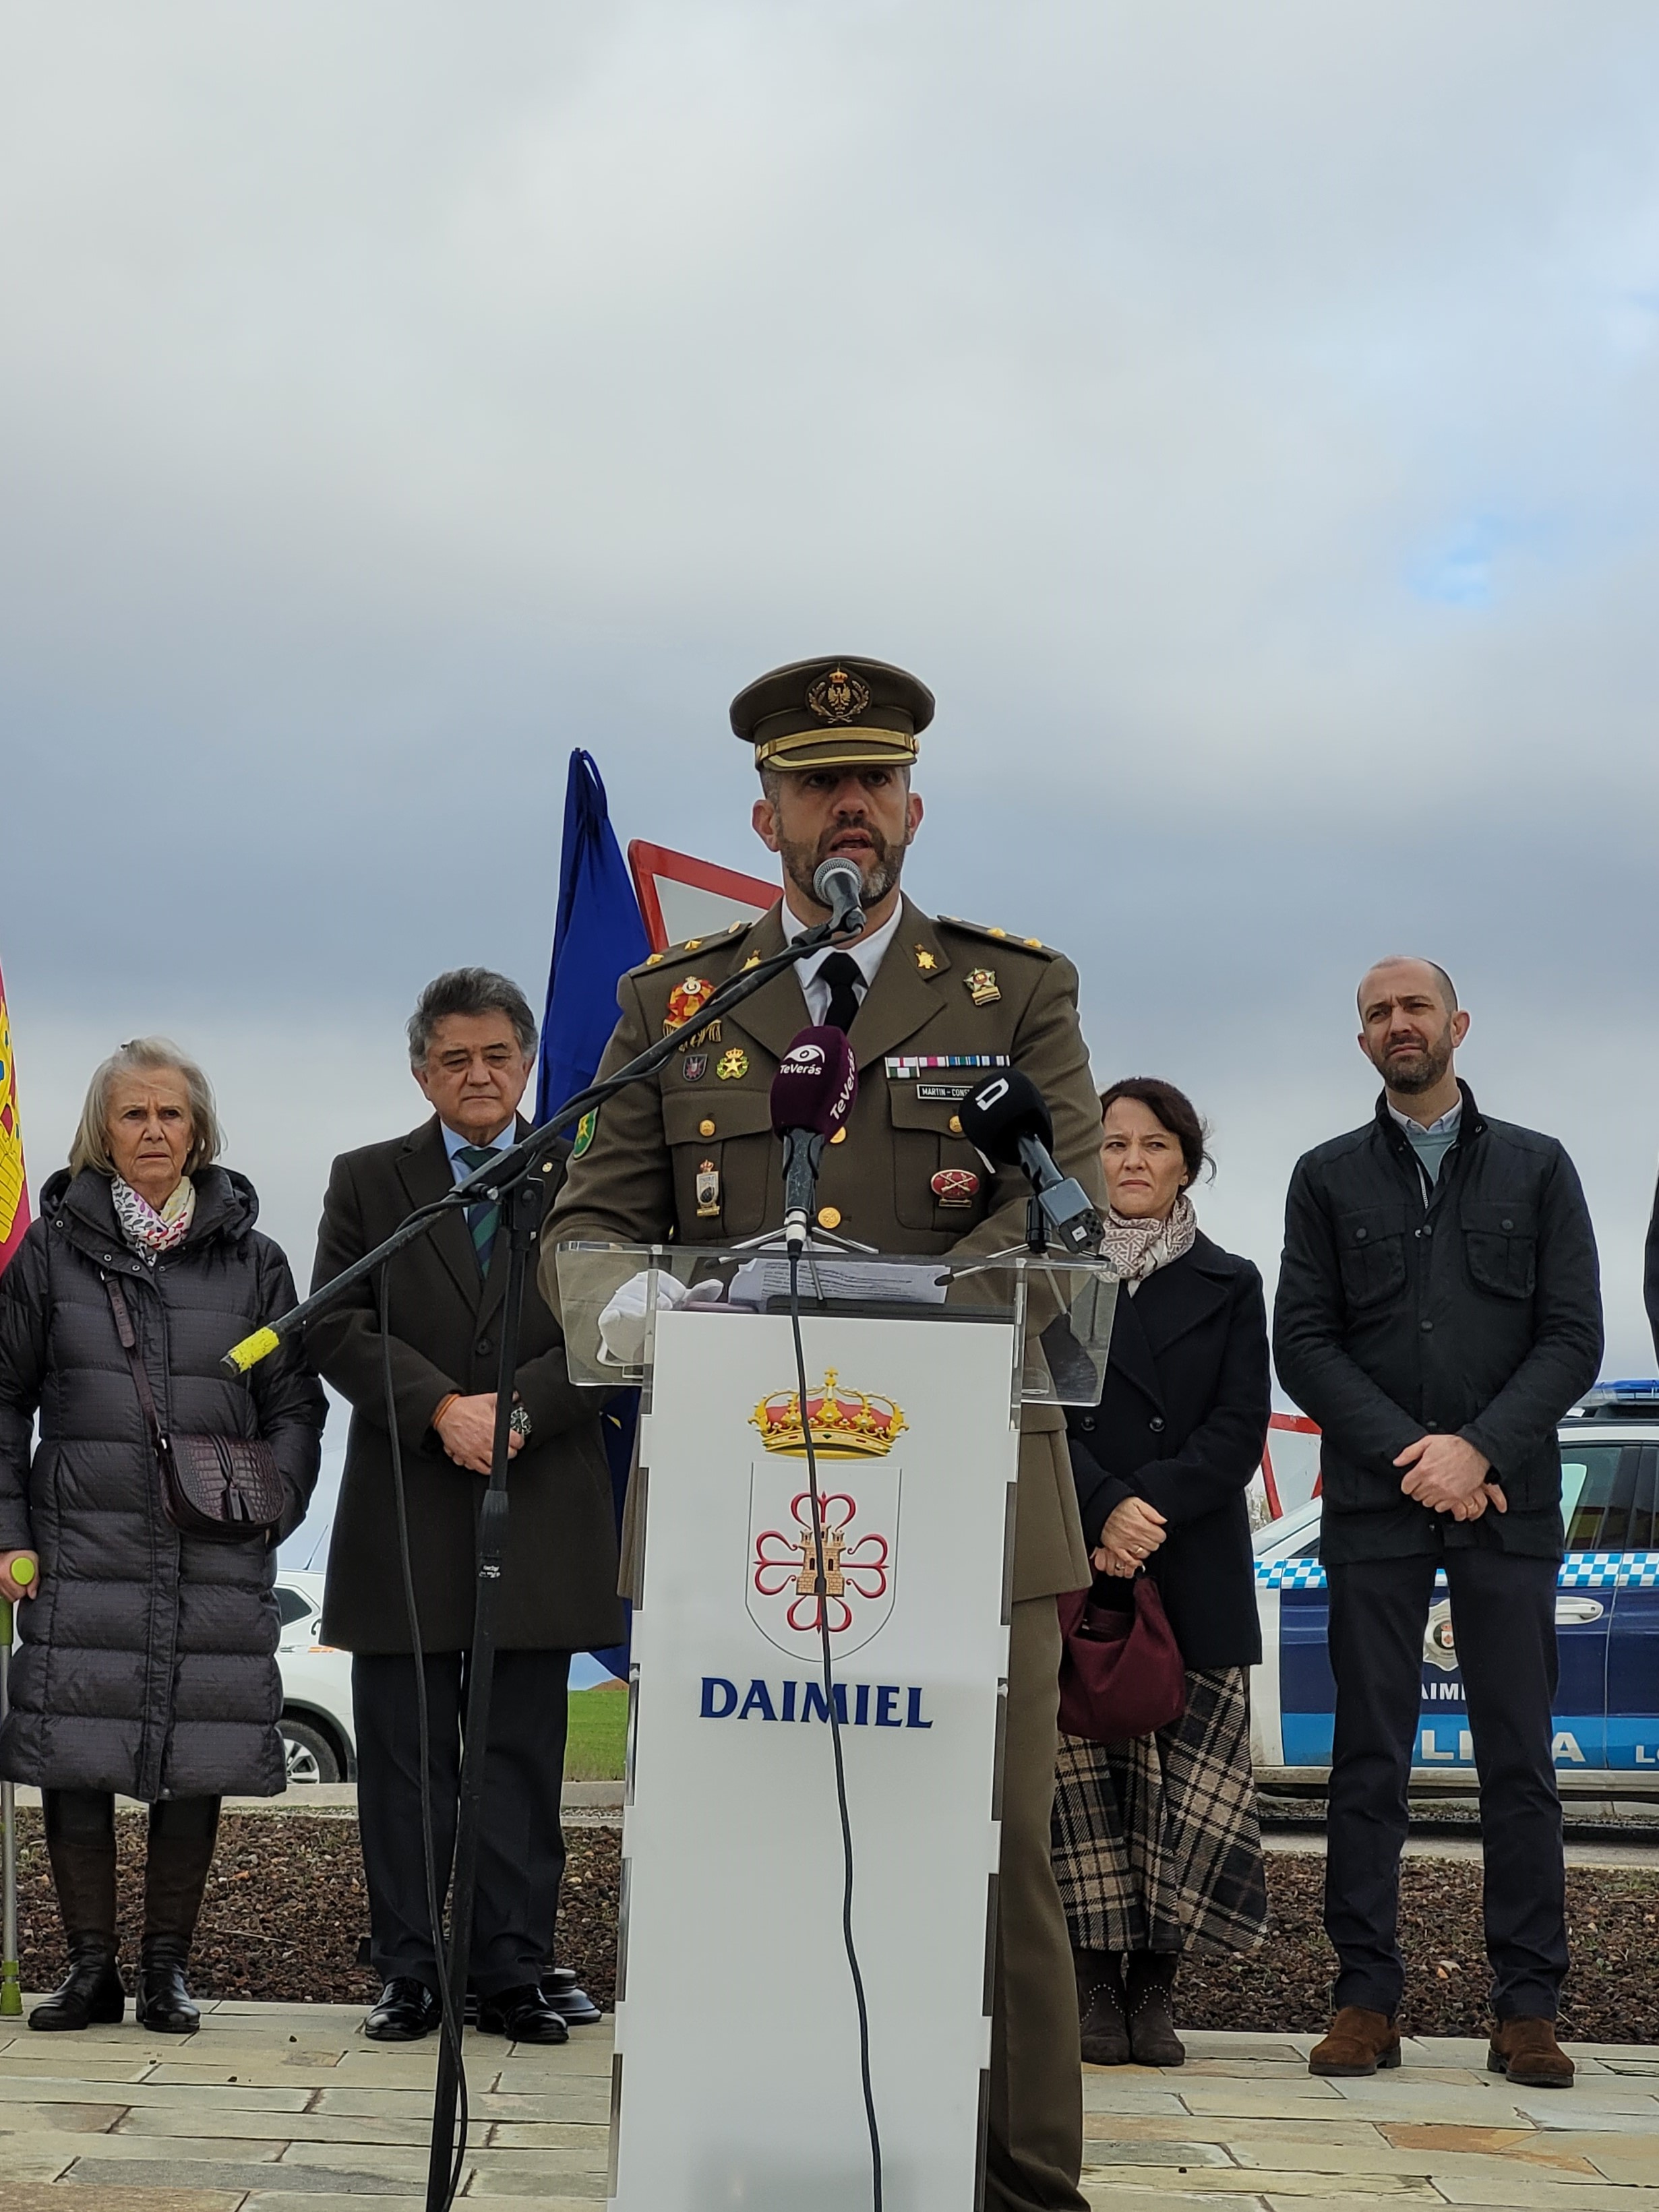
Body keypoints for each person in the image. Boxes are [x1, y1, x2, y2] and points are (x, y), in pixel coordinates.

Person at [543, 657, 1108, 2212]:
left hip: (974, 1499)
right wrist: (664, 1312)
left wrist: (897, 1321)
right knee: (733, 1845)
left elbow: (1057, 1216)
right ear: (768, 817)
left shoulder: (1011, 993)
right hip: (736, 1513)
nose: (847, 806)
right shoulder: (676, 1004)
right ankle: (722, 2159)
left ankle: (1021, 2185)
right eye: (816, 784)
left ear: (913, 807)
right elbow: (586, 1230)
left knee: (993, 1855)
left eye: (873, 780)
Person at [1274, 957, 1602, 2089]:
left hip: (1506, 1505)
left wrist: (1480, 1448)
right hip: (1377, 1507)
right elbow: (1303, 1341)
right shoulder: (1323, 1178)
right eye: (1377, 1012)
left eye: (1414, 1006)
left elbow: (1572, 1334)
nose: (1398, 1023)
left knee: (1519, 1758)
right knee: (1368, 1757)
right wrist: (1418, 1457)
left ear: (1456, 1022)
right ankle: (1363, 1998)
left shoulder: (1537, 1167)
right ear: (1361, 1040)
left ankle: (1527, 2009)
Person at [307, 969, 622, 2046]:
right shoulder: (369, 1178)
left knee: (519, 1761)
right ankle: (408, 1969)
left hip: (539, 1506)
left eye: (495, 1054)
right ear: (421, 1072)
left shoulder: (585, 1174)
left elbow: (615, 1324)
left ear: (526, 1062)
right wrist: (440, 1408)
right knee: (404, 1766)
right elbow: (333, 1321)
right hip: (405, 1509)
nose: (477, 1074)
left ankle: (512, 1969)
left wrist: (516, 1411)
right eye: (454, 1058)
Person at [0, 1038, 324, 2033]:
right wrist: (9, 1530)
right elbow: (5, 1400)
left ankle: (167, 1970)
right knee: (76, 1753)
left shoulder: (255, 1261)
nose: (153, 1130)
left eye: (170, 1113)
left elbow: (295, 1405)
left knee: (198, 1755)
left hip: (213, 1551)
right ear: (103, 1131)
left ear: (199, 1130)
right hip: (79, 1547)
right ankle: (90, 1970)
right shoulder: (49, 1255)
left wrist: (274, 1504)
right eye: (133, 1113)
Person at [1052, 1079, 1271, 2069]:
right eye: (1113, 1144)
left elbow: (1238, 1428)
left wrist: (1144, 1511)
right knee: (1085, 1787)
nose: (1131, 1161)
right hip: (1079, 1555)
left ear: (1187, 1161)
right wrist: (1102, 1505)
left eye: (1153, 1144)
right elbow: (1037, 1412)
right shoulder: (1055, 1277)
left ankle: (1156, 1994)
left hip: (1189, 1565)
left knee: (1183, 1796)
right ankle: (1095, 1987)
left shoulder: (1231, 1281)